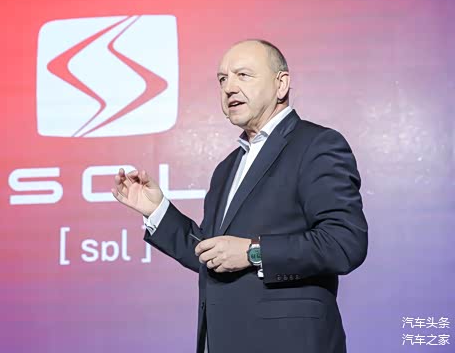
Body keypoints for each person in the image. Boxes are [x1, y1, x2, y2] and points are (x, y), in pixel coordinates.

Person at [111, 39, 368, 353]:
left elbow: (344, 243)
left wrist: (253, 252)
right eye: (222, 79)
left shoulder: (316, 145)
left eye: (243, 75)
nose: (229, 88)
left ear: (281, 84)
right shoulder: (227, 167)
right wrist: (157, 210)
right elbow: (215, 253)